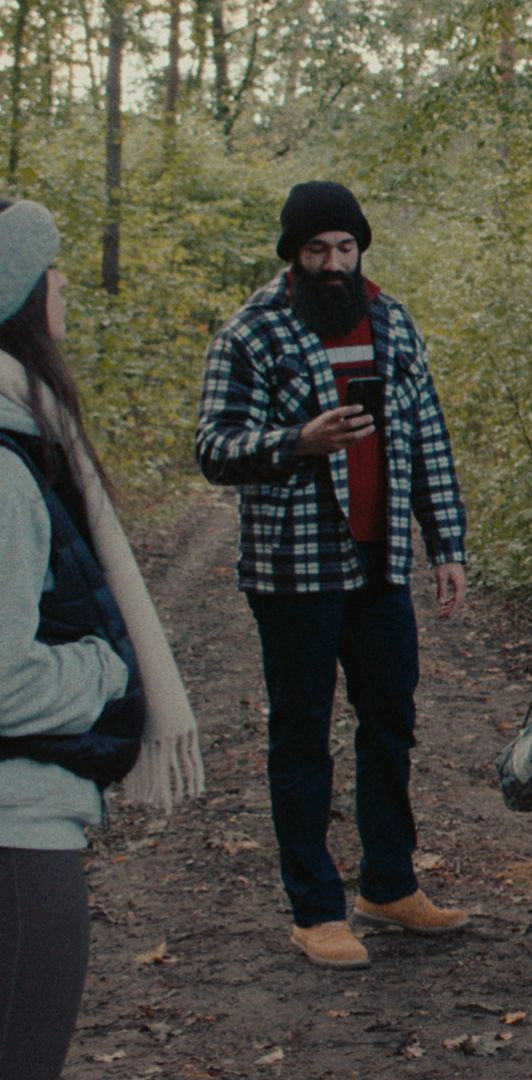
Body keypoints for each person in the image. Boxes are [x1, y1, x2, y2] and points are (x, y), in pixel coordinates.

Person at [196, 181, 471, 970]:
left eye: (345, 248)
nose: (333, 263)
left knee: (390, 724)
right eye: (316, 249)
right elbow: (213, 446)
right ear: (294, 254)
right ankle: (314, 909)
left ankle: (388, 884)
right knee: (302, 735)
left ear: (360, 249)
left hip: (380, 563)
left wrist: (446, 543)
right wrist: (297, 441)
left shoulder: (392, 320)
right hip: (293, 568)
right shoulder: (251, 331)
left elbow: (427, 435)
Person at [0, 198, 201, 1076]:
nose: (65, 284)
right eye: (50, 271)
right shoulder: (4, 471)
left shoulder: (22, 438)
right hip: (15, 833)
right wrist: (104, 670)